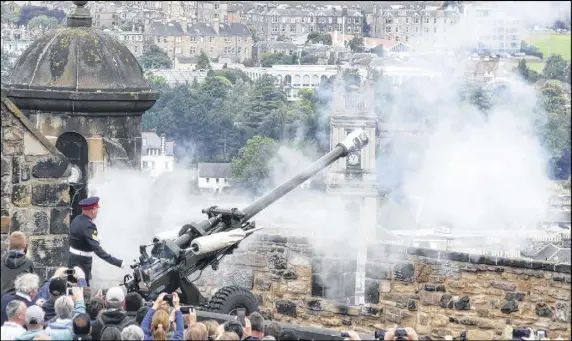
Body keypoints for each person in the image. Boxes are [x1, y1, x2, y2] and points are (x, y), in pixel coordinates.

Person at [67, 197, 124, 286]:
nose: (97, 211)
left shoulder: (77, 219)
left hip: (73, 260)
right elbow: (97, 249)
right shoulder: (88, 226)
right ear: (93, 210)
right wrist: (117, 262)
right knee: (82, 290)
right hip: (82, 264)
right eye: (97, 209)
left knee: (72, 289)